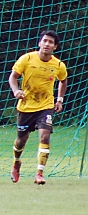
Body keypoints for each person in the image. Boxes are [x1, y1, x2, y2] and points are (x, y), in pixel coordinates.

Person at [7, 30, 67, 185]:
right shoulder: (26, 59)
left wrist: (59, 100)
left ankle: (39, 174)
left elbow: (63, 80)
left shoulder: (58, 65)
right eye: (45, 41)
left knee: (45, 136)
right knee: (21, 140)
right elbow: (13, 77)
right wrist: (16, 91)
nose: (47, 44)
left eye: (50, 42)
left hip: (46, 106)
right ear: (40, 43)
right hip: (26, 106)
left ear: (55, 47)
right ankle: (16, 162)